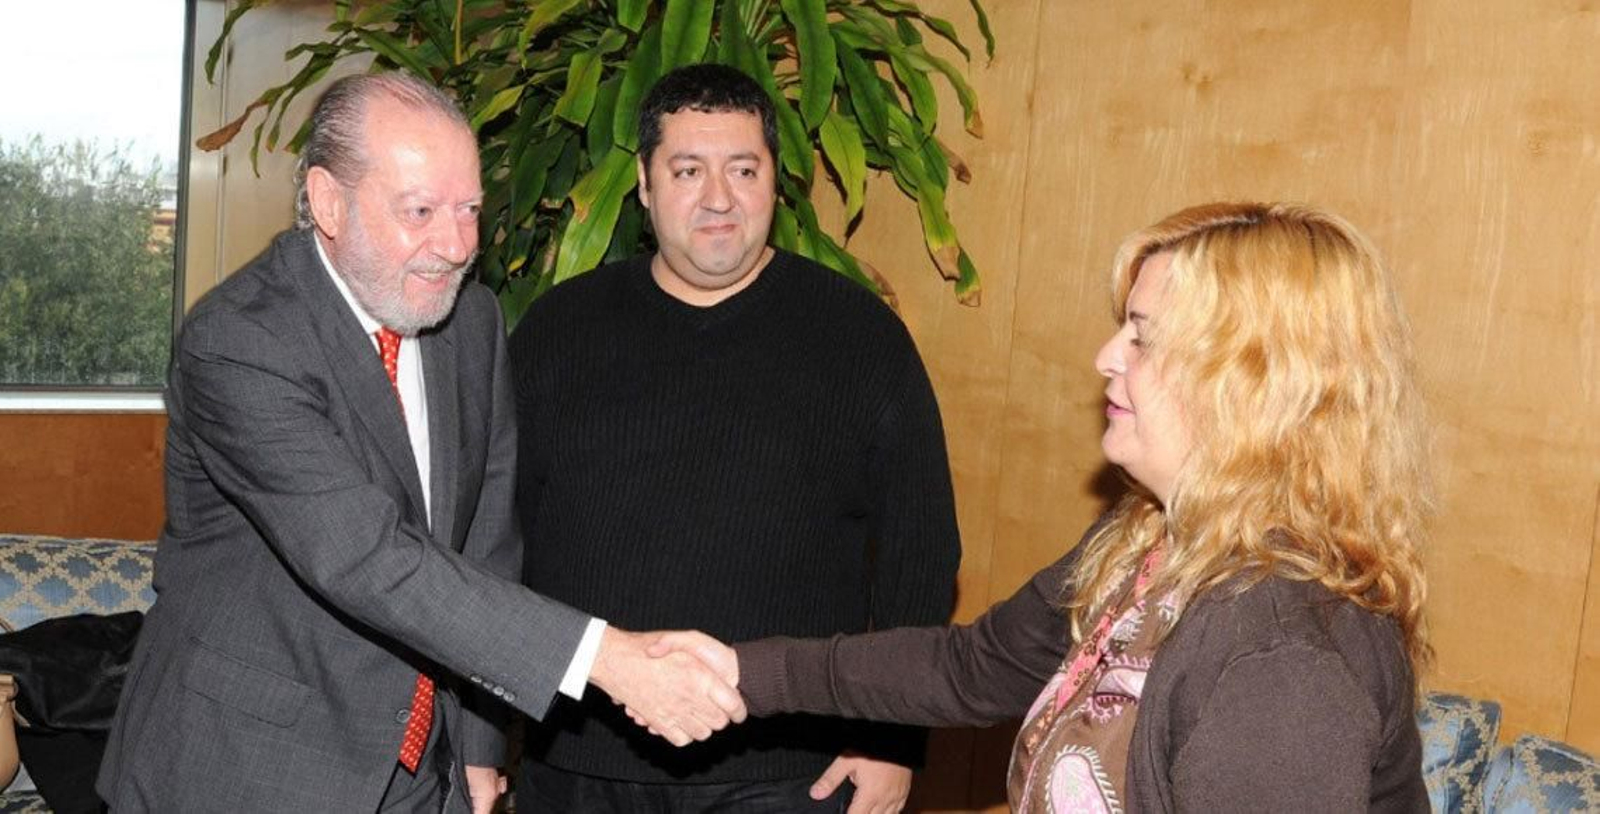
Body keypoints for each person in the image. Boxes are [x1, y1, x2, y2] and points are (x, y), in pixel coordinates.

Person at [95, 72, 743, 814]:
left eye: (470, 209)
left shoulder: (470, 322)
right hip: (246, 767)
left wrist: (477, 744)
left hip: (420, 773)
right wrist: (609, 659)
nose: (457, 245)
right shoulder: (241, 340)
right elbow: (365, 557)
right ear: (328, 202)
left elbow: (484, 541)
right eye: (421, 211)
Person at [663, 202, 1434, 811]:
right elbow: (973, 668)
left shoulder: (1281, 660)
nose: (1106, 357)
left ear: (1252, 385)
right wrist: (743, 671)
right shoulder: (1150, 538)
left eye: (1142, 338)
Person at [506, 63, 962, 812]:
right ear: (644, 186)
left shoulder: (861, 338)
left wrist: (891, 737)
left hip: (790, 775)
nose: (719, 198)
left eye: (743, 170)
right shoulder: (558, 330)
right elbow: (494, 544)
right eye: (688, 170)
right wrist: (482, 738)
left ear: (775, 184)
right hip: (578, 768)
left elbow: (923, 552)